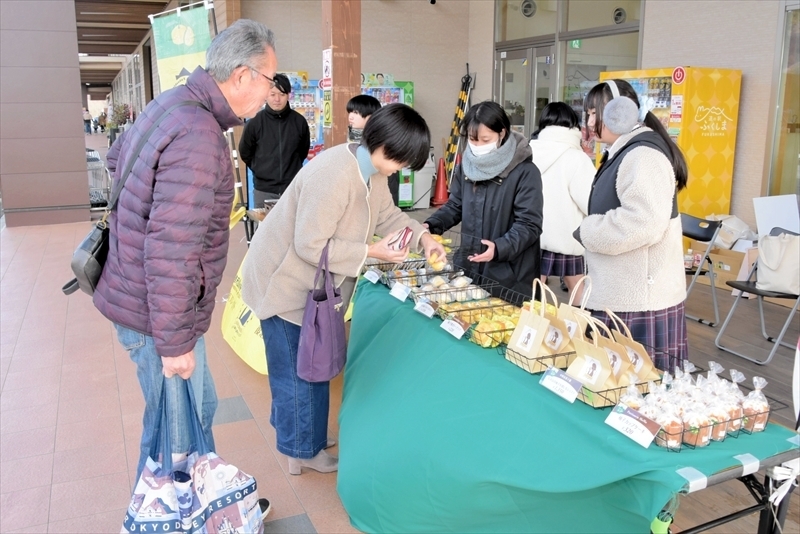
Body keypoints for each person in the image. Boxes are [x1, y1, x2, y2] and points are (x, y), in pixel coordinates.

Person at [93, 19, 278, 518]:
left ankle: (200, 511)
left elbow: (117, 159)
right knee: (174, 436)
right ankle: (171, 520)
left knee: (187, 416)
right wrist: (174, 345)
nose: (270, 93)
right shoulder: (199, 135)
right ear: (242, 76)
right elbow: (173, 250)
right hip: (158, 317)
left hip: (141, 300)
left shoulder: (172, 104)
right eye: (270, 81)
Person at [240, 103, 447, 476]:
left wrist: (423, 238)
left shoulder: (371, 169)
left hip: (311, 289)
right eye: (402, 162)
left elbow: (388, 216)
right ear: (385, 146)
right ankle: (302, 451)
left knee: (312, 365)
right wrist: (371, 251)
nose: (401, 169)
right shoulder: (335, 174)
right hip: (284, 284)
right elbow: (308, 245)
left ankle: (306, 434)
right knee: (299, 371)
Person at [574, 79, 689, 373]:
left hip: (639, 300)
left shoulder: (643, 155)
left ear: (620, 112)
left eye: (593, 113)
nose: (588, 122)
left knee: (636, 394)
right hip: (626, 293)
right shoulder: (625, 150)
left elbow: (644, 222)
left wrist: (588, 230)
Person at [424, 100, 543, 297]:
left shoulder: (525, 172)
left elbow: (529, 224)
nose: (478, 146)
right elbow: (455, 205)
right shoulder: (467, 167)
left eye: (485, 140)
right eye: (473, 139)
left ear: (502, 133)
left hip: (509, 273)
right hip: (470, 266)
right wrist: (432, 225)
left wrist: (499, 248)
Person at [529, 102, 595, 303]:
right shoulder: (577, 158)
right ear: (573, 125)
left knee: (533, 287)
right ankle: (579, 329)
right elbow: (590, 203)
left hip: (531, 233)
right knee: (576, 286)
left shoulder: (527, 151)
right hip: (567, 236)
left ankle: (529, 328)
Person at [239, 73, 310, 207]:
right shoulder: (255, 122)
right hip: (263, 190)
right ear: (266, 95)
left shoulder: (299, 122)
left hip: (291, 188)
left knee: (291, 227)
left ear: (288, 95)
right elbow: (245, 153)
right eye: (273, 94)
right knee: (265, 227)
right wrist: (260, 169)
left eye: (282, 94)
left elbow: (302, 151)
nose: (277, 99)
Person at [347, 94, 403, 205]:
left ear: (370, 116)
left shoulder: (378, 141)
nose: (350, 117)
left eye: (356, 113)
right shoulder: (366, 136)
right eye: (350, 112)